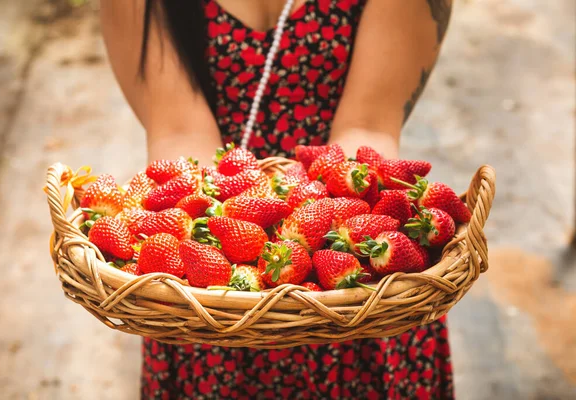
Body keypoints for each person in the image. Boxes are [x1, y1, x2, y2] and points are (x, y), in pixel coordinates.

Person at [100, 0, 454, 398]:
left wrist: (325, 226)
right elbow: (180, 134)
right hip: (209, 299)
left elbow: (367, 126)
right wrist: (225, 261)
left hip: (355, 295)